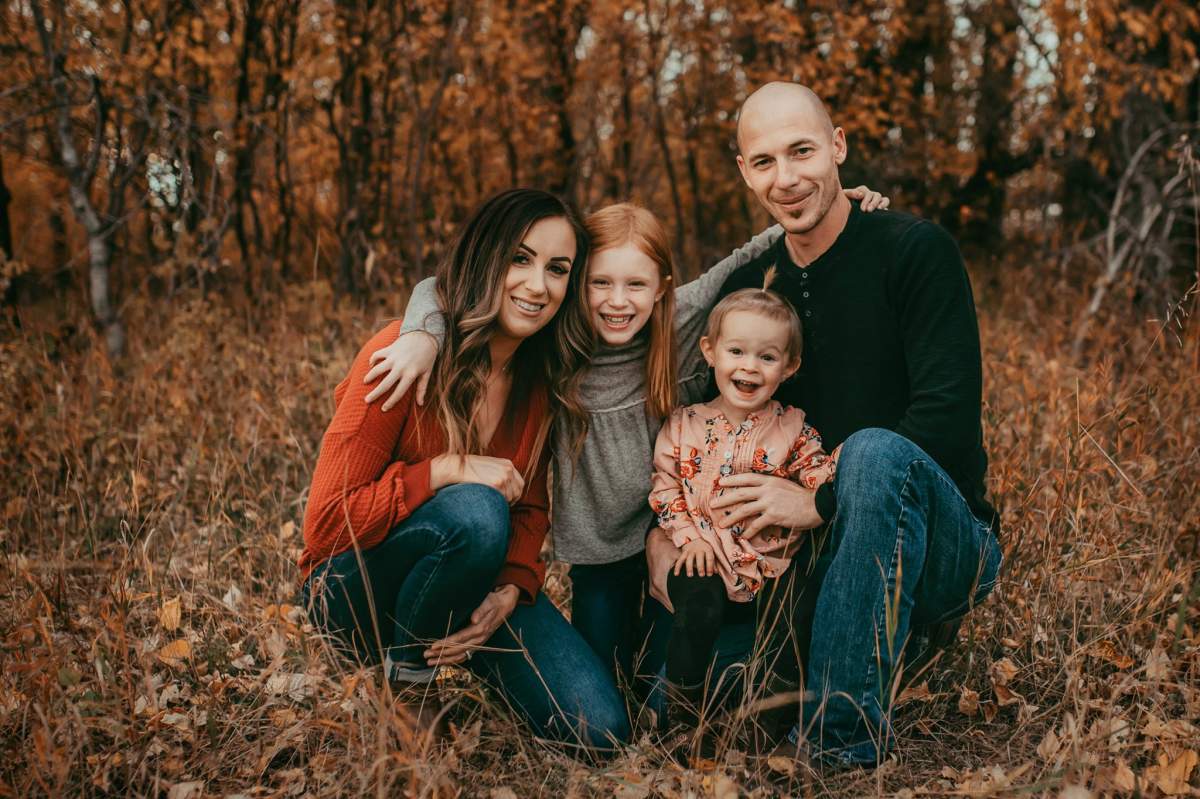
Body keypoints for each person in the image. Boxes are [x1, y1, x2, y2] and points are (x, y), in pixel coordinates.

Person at [366, 191, 888, 713]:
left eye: (636, 285)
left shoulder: (681, 322)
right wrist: (421, 336)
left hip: (677, 536)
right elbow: (438, 289)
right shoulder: (559, 339)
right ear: (578, 284)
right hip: (598, 554)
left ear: (661, 289)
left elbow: (749, 252)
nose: (618, 301)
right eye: (601, 283)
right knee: (606, 705)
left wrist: (836, 202)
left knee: (666, 693)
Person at [644, 81, 1003, 768]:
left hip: (940, 540)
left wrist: (818, 501)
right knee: (691, 692)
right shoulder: (750, 290)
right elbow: (685, 420)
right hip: (793, 560)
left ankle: (840, 743)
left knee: (872, 452)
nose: (786, 178)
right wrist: (661, 536)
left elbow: (947, 421)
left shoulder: (915, 251)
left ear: (838, 146)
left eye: (802, 151)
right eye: (764, 161)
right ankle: (838, 656)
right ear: (744, 171)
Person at [299, 188, 630, 751]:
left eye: (557, 269)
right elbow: (327, 525)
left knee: (598, 730)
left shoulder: (539, 379)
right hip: (353, 590)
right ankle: (408, 682)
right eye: (520, 259)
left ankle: (443, 637)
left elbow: (530, 506)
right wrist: (446, 468)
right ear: (486, 257)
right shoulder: (400, 355)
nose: (537, 285)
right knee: (477, 509)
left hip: (470, 576)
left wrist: (511, 587)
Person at [649, 274, 837, 751]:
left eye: (767, 357)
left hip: (771, 565)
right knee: (698, 606)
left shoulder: (793, 429)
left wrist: (831, 477)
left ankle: (765, 720)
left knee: (795, 614)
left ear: (789, 366)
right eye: (736, 352)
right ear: (710, 351)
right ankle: (683, 718)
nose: (749, 367)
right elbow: (666, 487)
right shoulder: (684, 423)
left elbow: (819, 476)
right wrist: (688, 538)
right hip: (702, 555)